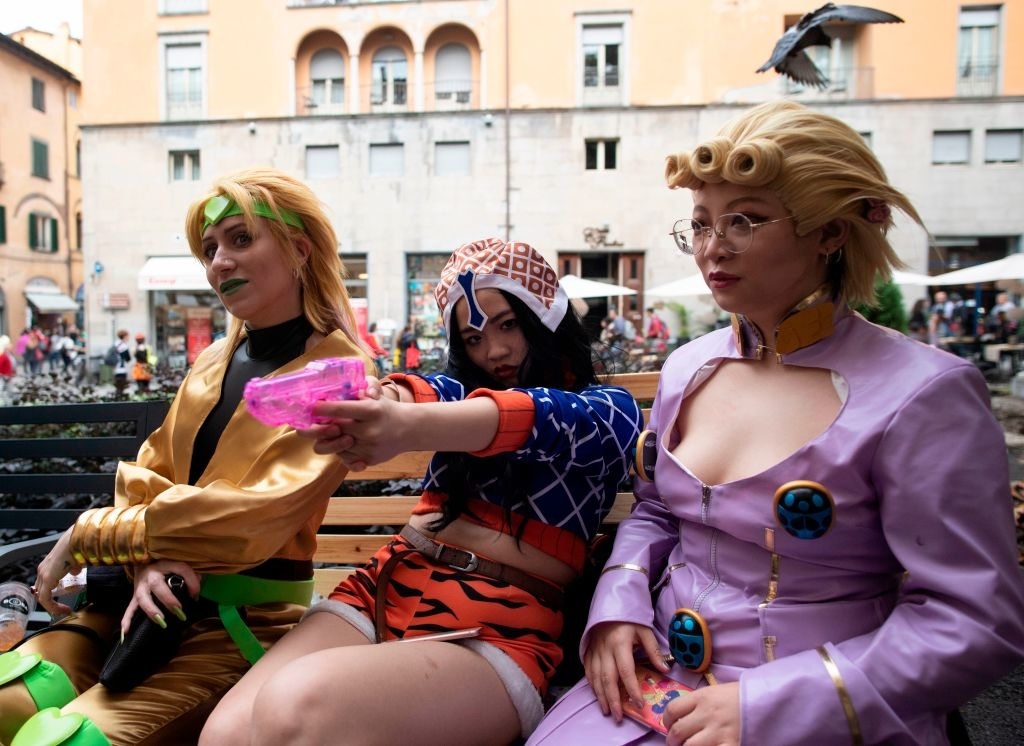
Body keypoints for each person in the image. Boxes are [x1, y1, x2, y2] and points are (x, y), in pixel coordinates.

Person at [528, 101, 1024, 745]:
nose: (712, 248)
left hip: (828, 710)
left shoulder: (926, 393)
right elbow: (657, 511)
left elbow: (975, 618)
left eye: (745, 221)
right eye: (700, 224)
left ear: (831, 232)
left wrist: (770, 704)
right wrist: (617, 606)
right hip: (652, 681)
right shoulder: (687, 367)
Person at [198, 237, 645, 746]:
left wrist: (404, 425)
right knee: (224, 736)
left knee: (296, 707)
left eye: (508, 325)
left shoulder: (608, 410)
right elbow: (424, 391)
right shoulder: (461, 392)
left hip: (497, 631)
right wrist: (376, 398)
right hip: (382, 588)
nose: (494, 351)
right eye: (472, 338)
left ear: (544, 316)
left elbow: (536, 417)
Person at [0, 168, 372, 745]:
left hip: (239, 626)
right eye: (209, 248)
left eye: (240, 239)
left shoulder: (337, 374)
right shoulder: (213, 360)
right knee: (8, 701)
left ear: (300, 249)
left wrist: (90, 532)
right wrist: (148, 562)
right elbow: (148, 474)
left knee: (67, 741)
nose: (220, 261)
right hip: (144, 602)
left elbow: (249, 518)